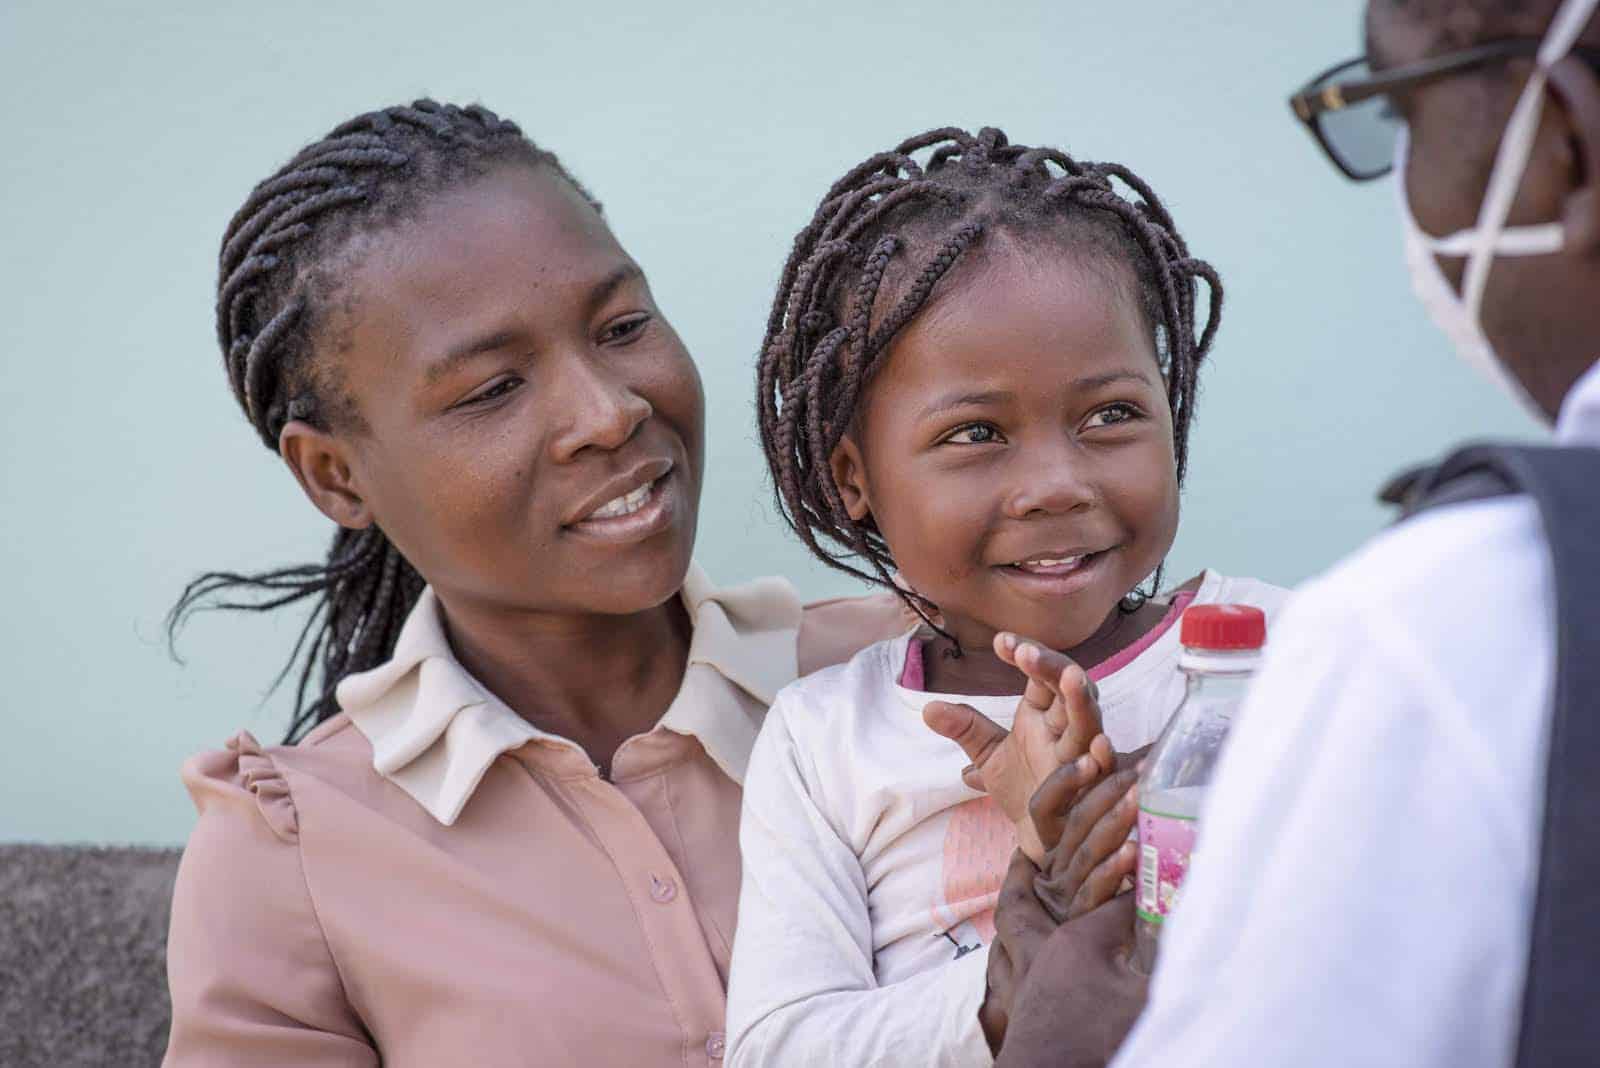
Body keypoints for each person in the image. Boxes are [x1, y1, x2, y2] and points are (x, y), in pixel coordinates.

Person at [160, 99, 913, 1067]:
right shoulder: (289, 859)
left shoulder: (911, 677)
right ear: (335, 475)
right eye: (492, 390)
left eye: (622, 324)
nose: (609, 411)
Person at [1000, 0, 1600, 1064]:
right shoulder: (823, 726)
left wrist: (1060, 1037)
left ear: (1561, 140)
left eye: (1400, 119)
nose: (1053, 485)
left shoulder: (1439, 627)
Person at [724, 126, 1287, 1068]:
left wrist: (1143, 840)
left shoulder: (1275, 653)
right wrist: (1028, 955)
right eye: (977, 433)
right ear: (856, 478)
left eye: (1111, 414)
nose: (1056, 484)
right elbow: (780, 1047)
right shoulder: (824, 741)